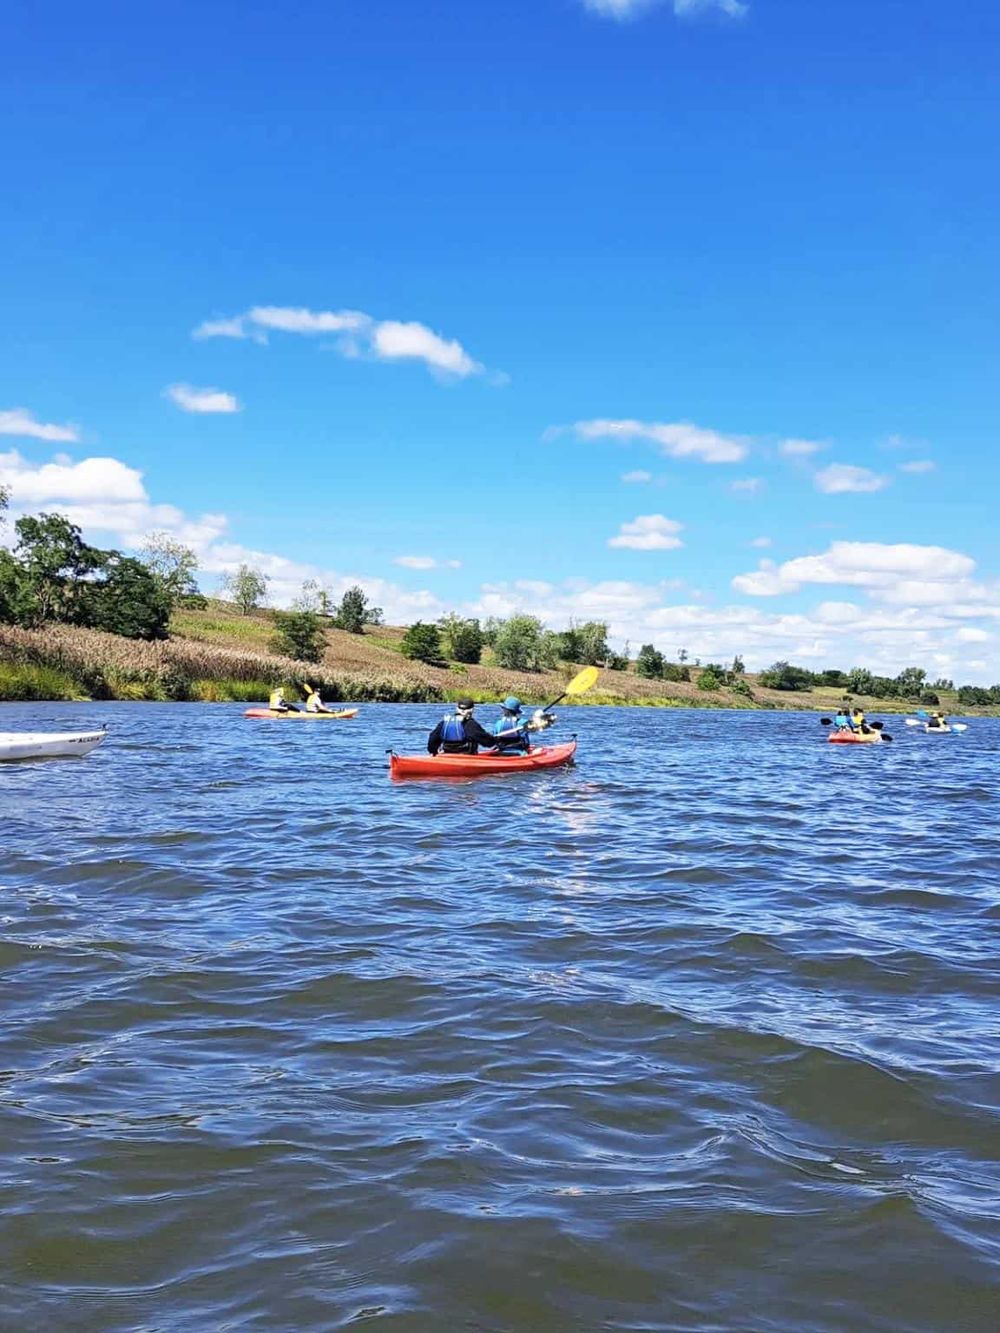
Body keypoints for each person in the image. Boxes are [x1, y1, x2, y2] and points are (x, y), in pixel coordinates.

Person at [427, 698, 550, 756]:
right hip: (466, 757)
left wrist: (434, 752)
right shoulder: (471, 724)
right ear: (472, 710)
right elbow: (487, 742)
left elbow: (432, 739)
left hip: (446, 755)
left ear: (457, 708)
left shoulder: (444, 723)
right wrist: (492, 740)